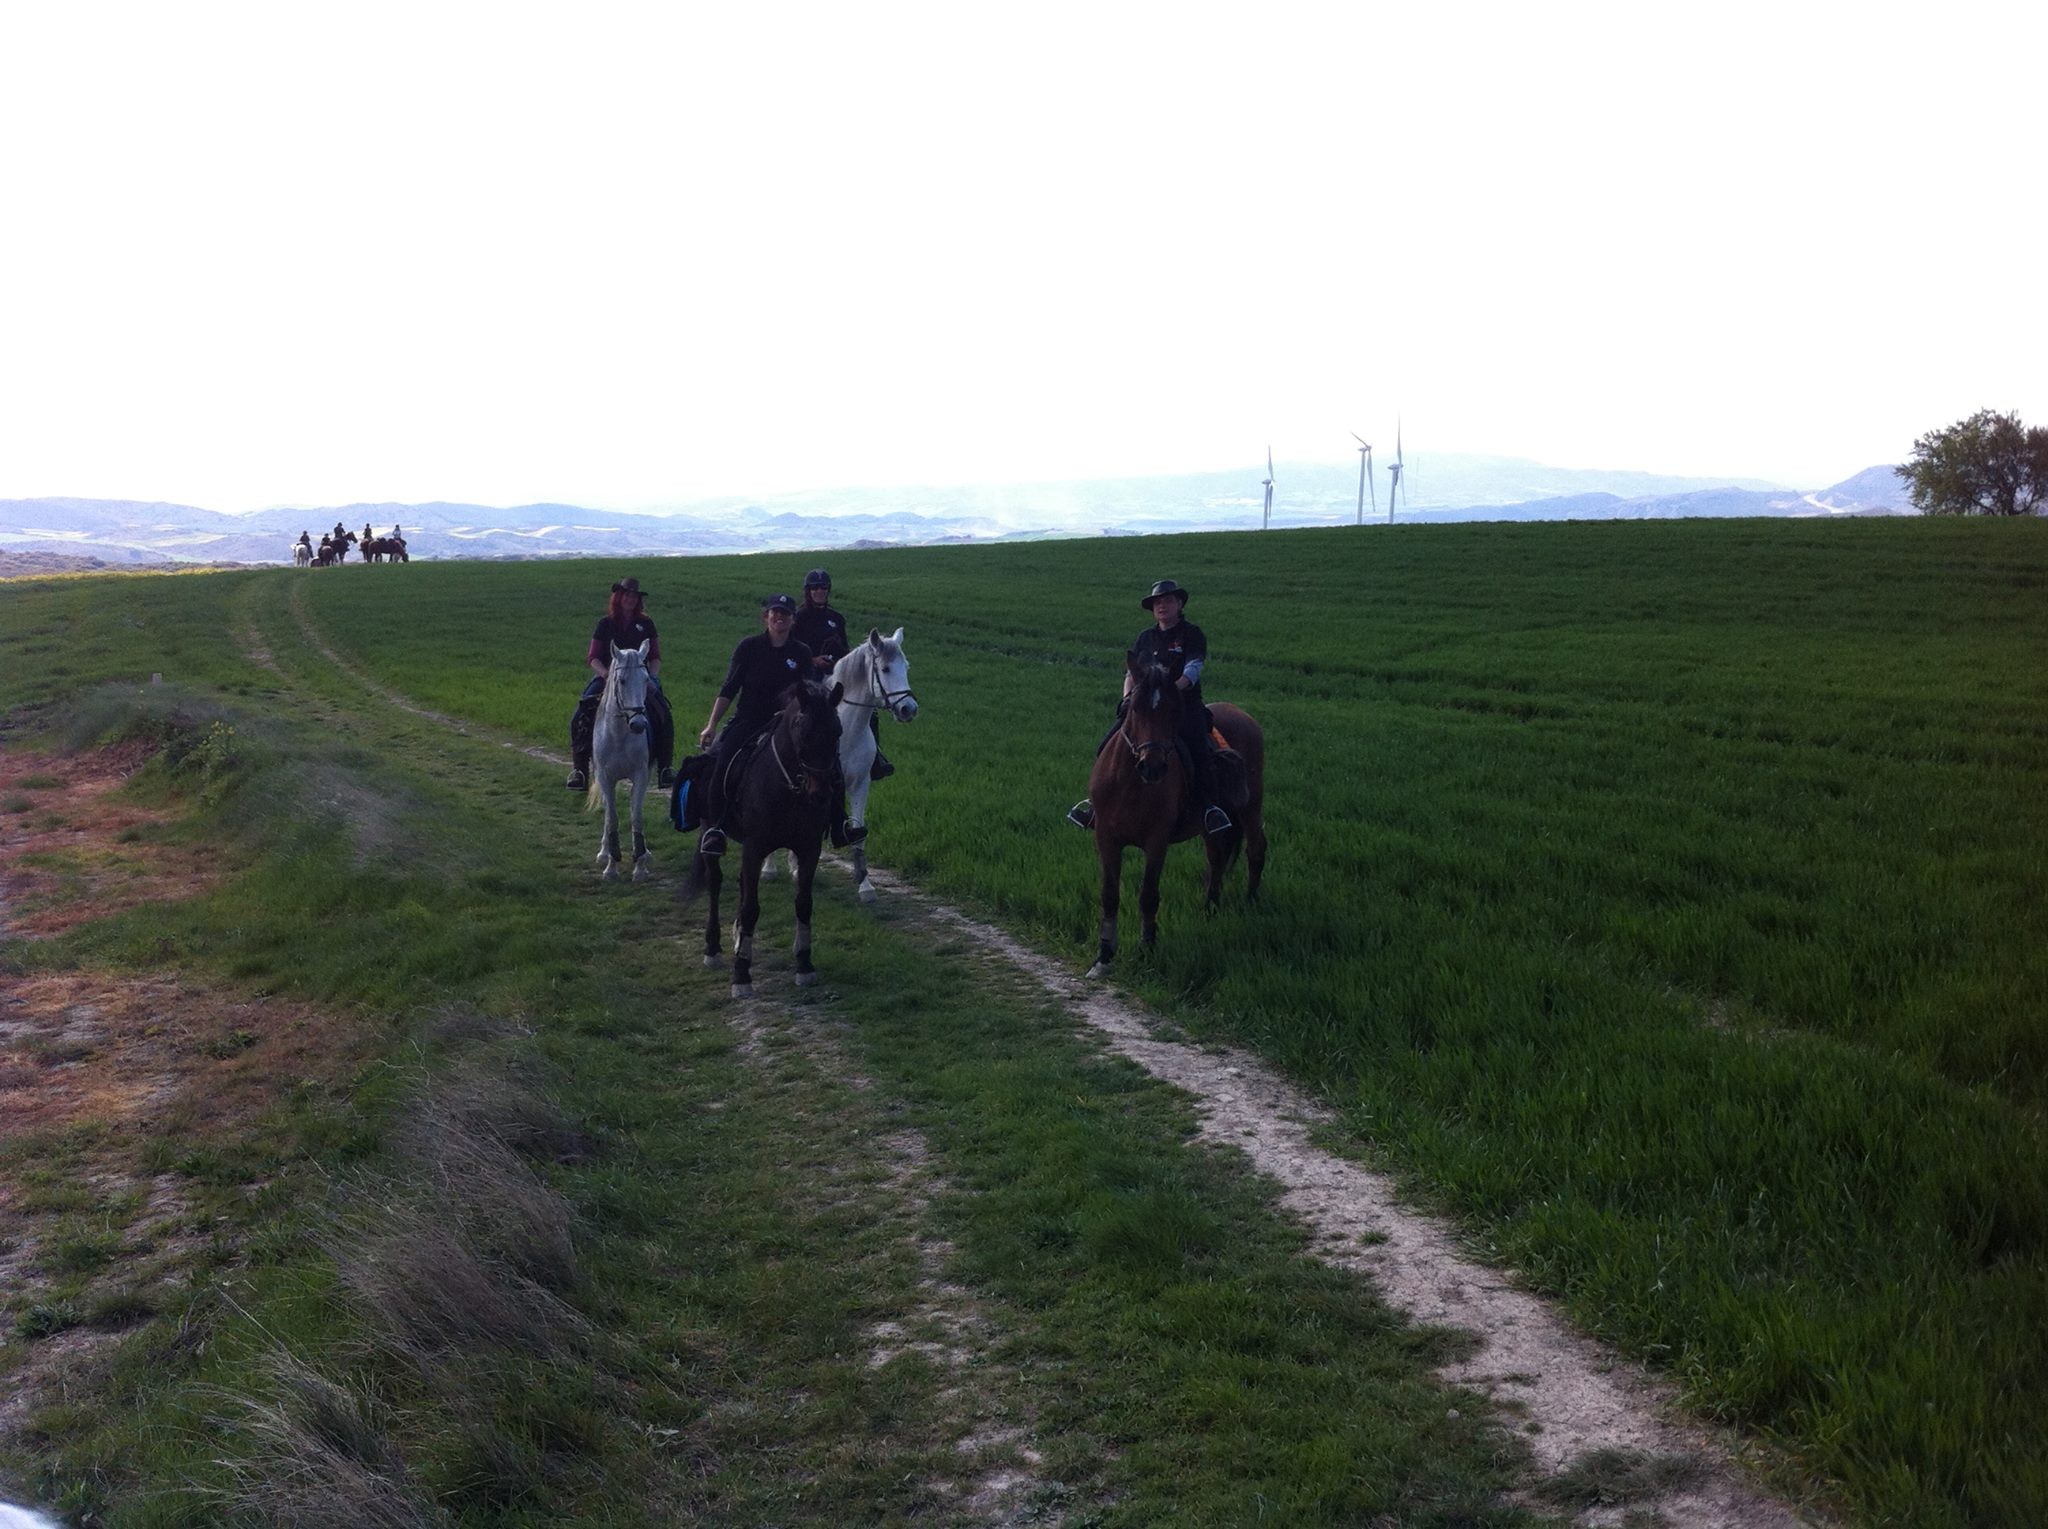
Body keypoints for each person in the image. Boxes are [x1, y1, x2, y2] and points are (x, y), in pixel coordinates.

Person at [694, 593, 862, 856]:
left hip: (788, 722)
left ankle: (839, 823)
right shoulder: (749, 647)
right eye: (775, 612)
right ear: (766, 617)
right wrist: (711, 724)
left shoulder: (801, 652)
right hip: (749, 719)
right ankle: (715, 829)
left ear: (793, 619)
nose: (779, 617)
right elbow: (729, 688)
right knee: (724, 761)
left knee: (829, 764)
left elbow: (809, 690)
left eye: (785, 613)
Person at [1066, 579, 1231, 836]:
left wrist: (1170, 691)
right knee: (1106, 745)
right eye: (1157, 603)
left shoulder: (1192, 634)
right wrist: (1128, 698)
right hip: (1145, 706)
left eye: (1167, 601)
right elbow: (1131, 673)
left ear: (1179, 604)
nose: (1162, 606)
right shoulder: (1146, 638)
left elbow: (1193, 669)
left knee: (1199, 749)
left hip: (1181, 705)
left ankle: (1208, 808)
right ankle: (1096, 806)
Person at [565, 576, 676, 791]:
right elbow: (593, 657)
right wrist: (606, 675)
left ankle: (665, 768)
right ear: (619, 597)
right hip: (608, 677)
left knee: (663, 713)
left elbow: (655, 656)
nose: (630, 599)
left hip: (639, 679)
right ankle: (580, 770)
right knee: (580, 715)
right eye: (627, 595)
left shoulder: (646, 624)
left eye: (634, 596)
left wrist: (652, 678)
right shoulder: (605, 624)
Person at [791, 567, 894, 780]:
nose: (820, 591)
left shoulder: (836, 618)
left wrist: (838, 653)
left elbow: (846, 652)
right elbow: (792, 650)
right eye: (815, 588)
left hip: (835, 674)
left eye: (823, 588)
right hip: (810, 677)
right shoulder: (799, 618)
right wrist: (813, 660)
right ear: (808, 591)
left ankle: (876, 759)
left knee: (869, 710)